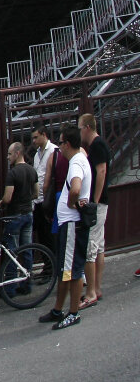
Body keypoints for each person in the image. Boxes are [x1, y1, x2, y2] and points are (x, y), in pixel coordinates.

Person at [39, 124, 92, 330]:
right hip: (68, 224)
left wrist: (71, 202)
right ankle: (58, 310)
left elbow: (76, 187)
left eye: (60, 143)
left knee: (72, 270)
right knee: (64, 270)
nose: (58, 147)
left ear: (67, 144)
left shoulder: (77, 162)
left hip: (72, 225)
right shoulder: (77, 159)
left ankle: (73, 312)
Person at [0, 141, 39, 289]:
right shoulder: (31, 170)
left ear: (17, 153)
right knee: (26, 249)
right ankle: (27, 284)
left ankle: (11, 288)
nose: (8, 157)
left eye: (10, 154)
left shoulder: (13, 173)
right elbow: (36, 192)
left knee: (12, 253)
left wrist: (1, 202)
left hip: (15, 215)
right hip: (28, 213)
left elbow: (8, 198)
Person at [79, 114, 109, 307]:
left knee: (91, 247)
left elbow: (101, 171)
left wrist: (94, 201)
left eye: (81, 128)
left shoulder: (97, 145)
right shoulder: (98, 145)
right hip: (101, 203)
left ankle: (91, 292)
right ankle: (96, 288)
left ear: (88, 127)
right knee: (98, 246)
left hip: (98, 203)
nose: (80, 131)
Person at [31, 126, 58, 254]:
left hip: (48, 199)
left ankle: (52, 264)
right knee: (42, 235)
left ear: (44, 135)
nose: (34, 141)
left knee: (50, 235)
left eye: (36, 137)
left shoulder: (53, 151)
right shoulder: (37, 155)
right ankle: (48, 265)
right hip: (38, 200)